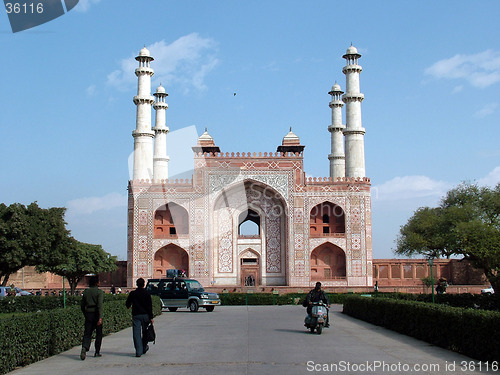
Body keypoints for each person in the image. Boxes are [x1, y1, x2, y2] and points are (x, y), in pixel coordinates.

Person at [126, 278, 154, 357]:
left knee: (136, 334)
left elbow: (128, 304)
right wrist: (151, 317)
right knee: (145, 333)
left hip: (136, 315)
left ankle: (139, 351)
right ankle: (144, 347)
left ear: (136, 284)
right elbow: (150, 306)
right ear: (144, 284)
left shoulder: (133, 293)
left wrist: (129, 306)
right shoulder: (147, 293)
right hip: (145, 316)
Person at [80, 275, 104, 360]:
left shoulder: (86, 292)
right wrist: (100, 317)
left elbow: (82, 305)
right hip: (96, 315)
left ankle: (84, 347)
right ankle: (97, 351)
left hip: (88, 314)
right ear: (96, 283)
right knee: (98, 334)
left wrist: (85, 313)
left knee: (87, 333)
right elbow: (100, 305)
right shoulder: (99, 292)